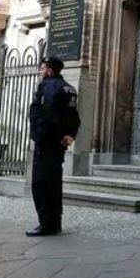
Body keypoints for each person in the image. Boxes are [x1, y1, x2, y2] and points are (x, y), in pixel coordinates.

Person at [26, 55, 80, 237]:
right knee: (54, 183)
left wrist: (51, 136)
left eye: (42, 69)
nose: (41, 72)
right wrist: (69, 135)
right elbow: (73, 117)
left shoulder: (49, 87)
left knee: (40, 184)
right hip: (58, 144)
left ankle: (46, 224)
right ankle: (55, 222)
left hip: (46, 142)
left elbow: (49, 115)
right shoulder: (68, 88)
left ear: (49, 70)